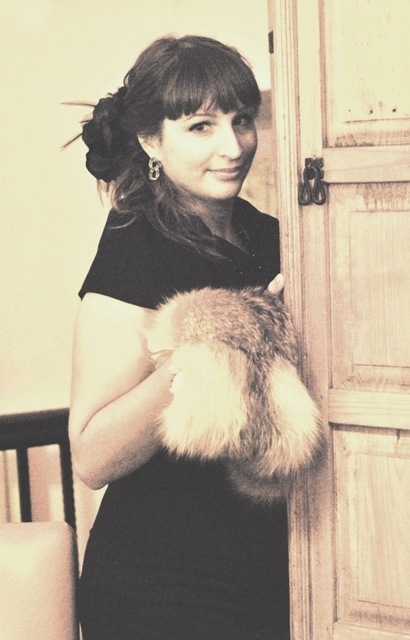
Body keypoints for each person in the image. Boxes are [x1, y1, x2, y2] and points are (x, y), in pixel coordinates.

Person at [68, 34, 290, 640]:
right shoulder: (134, 246)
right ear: (150, 140)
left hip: (272, 572)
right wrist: (211, 340)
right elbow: (90, 457)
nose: (233, 146)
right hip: (163, 588)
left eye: (242, 120)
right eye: (201, 127)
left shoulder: (274, 236)